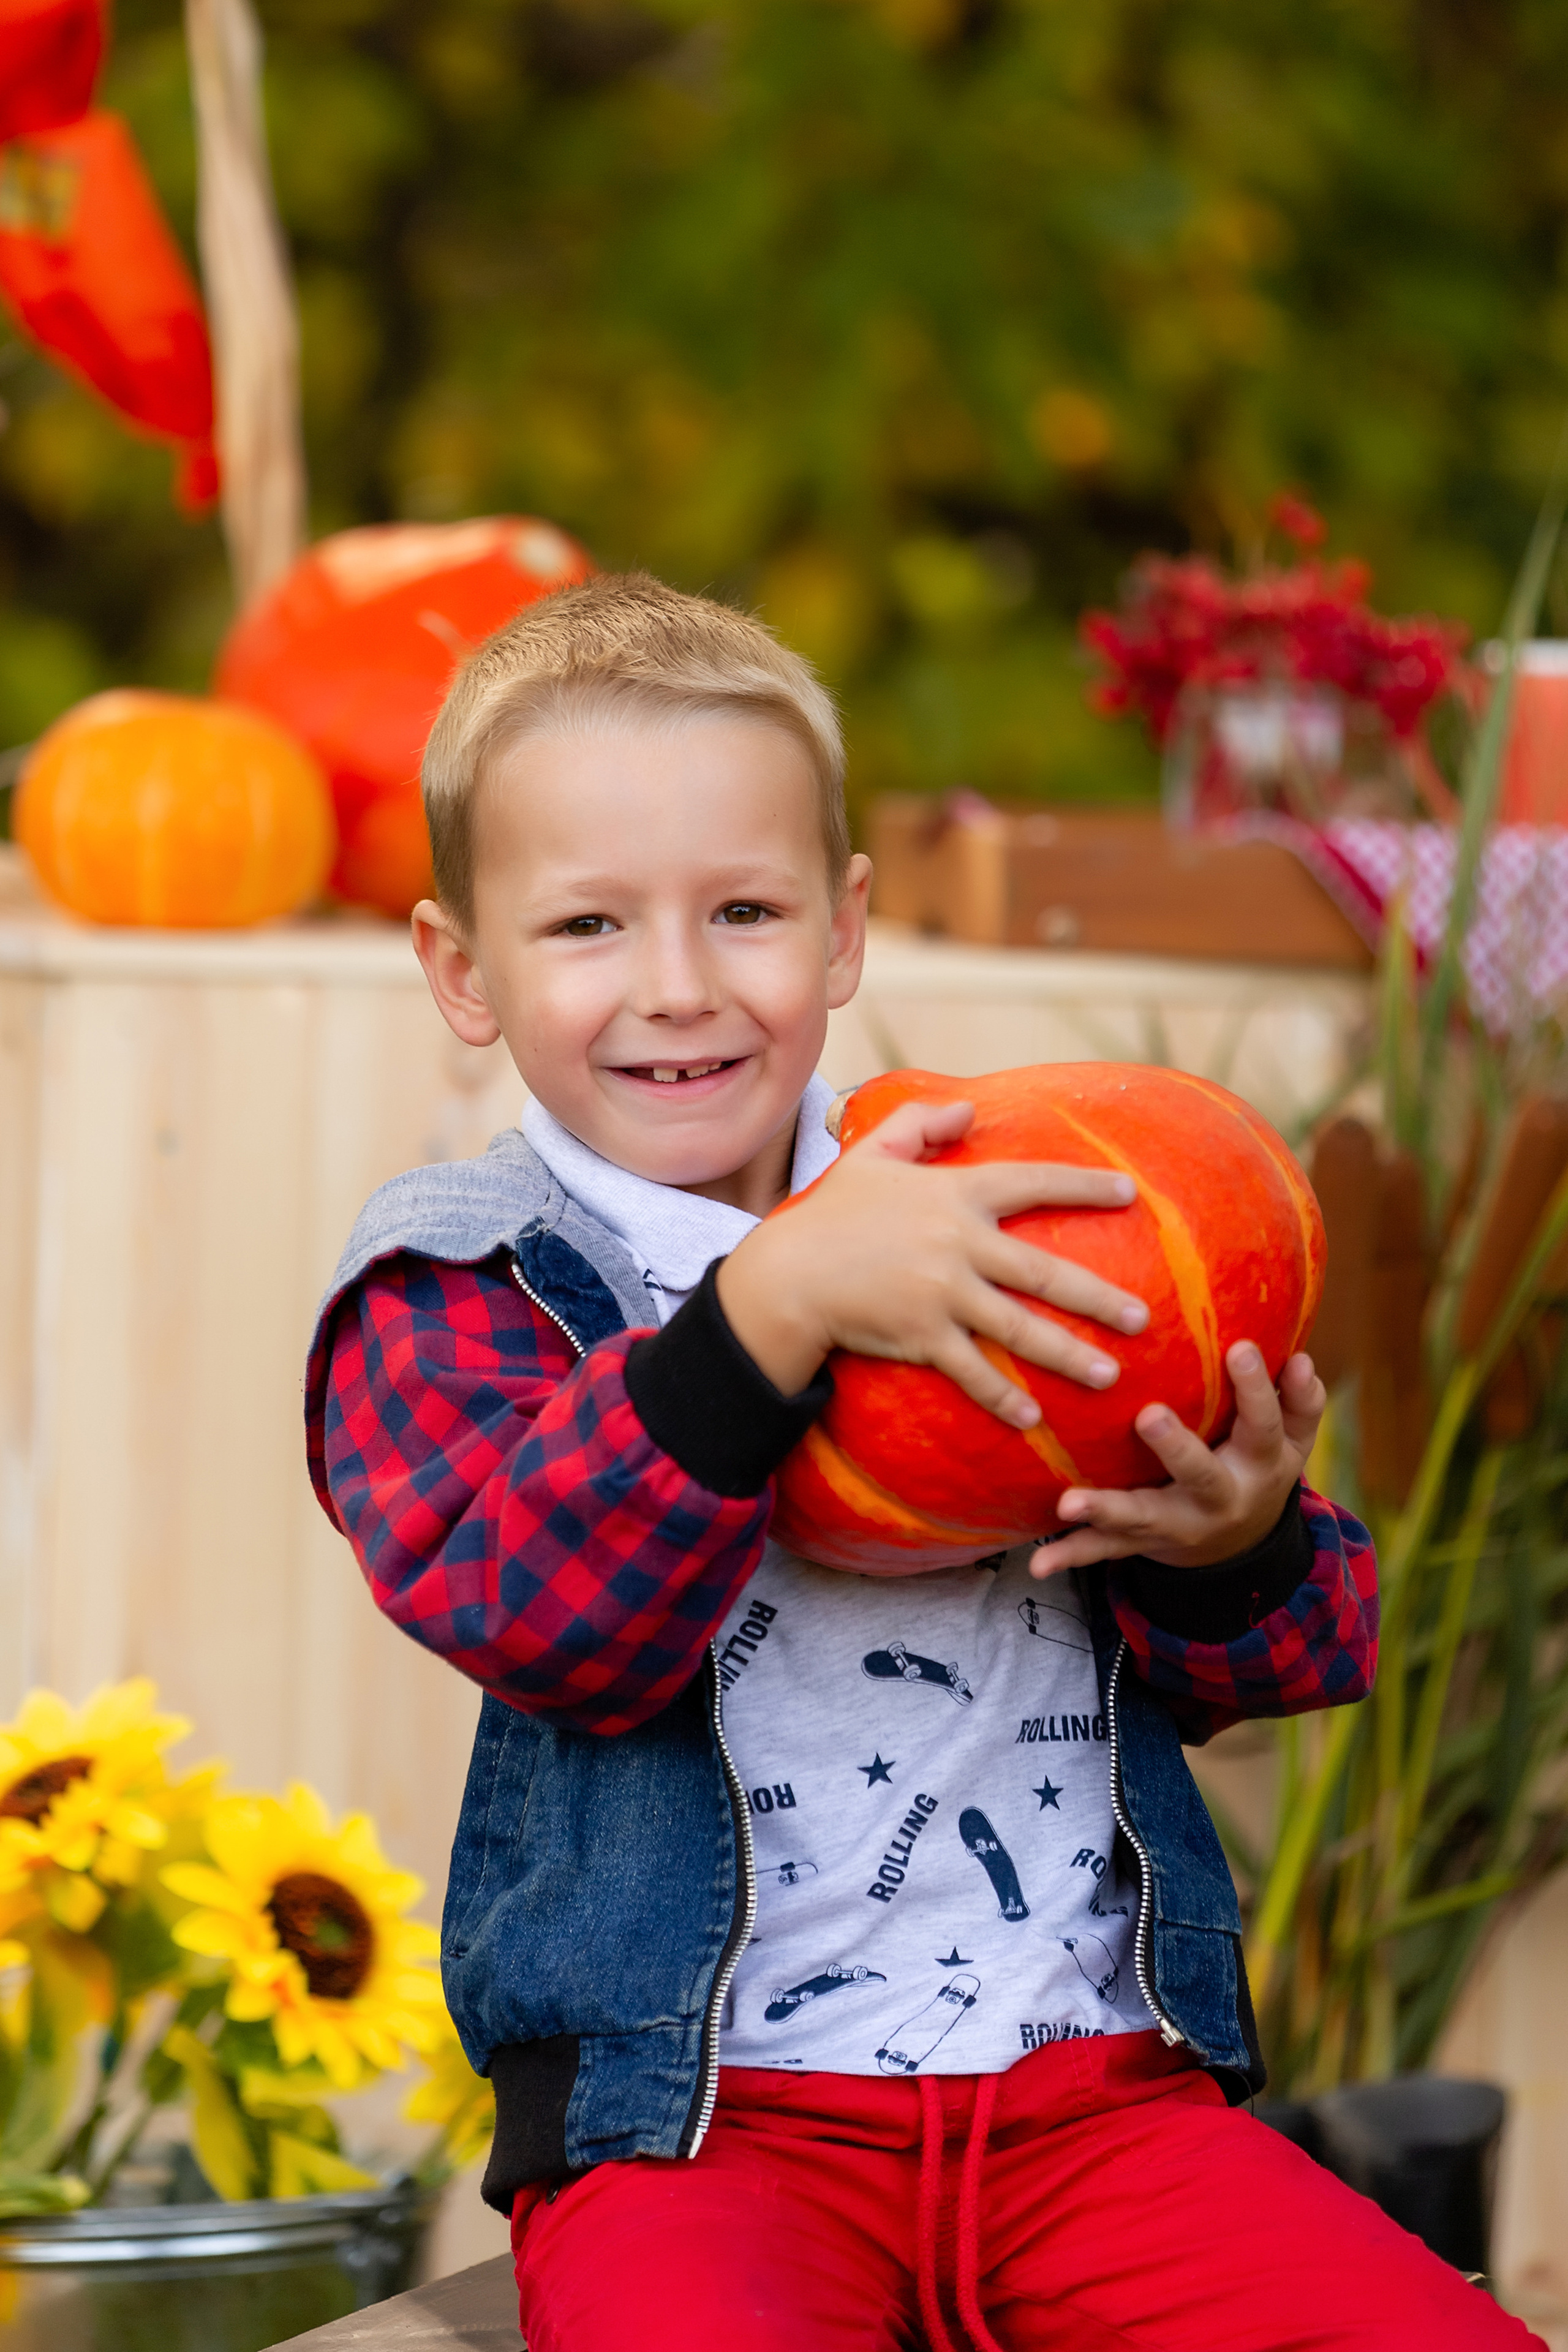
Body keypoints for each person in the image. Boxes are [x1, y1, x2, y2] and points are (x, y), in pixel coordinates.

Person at [306, 573, 1540, 2351]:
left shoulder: (998, 1200)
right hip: (703, 2135)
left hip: (1096, 2108)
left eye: (744, 909)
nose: (677, 986)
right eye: (586, 926)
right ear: (462, 970)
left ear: (844, 932)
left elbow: (1304, 1657)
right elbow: (537, 1616)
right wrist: (767, 1315)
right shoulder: (455, 1287)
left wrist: (1232, 1531)